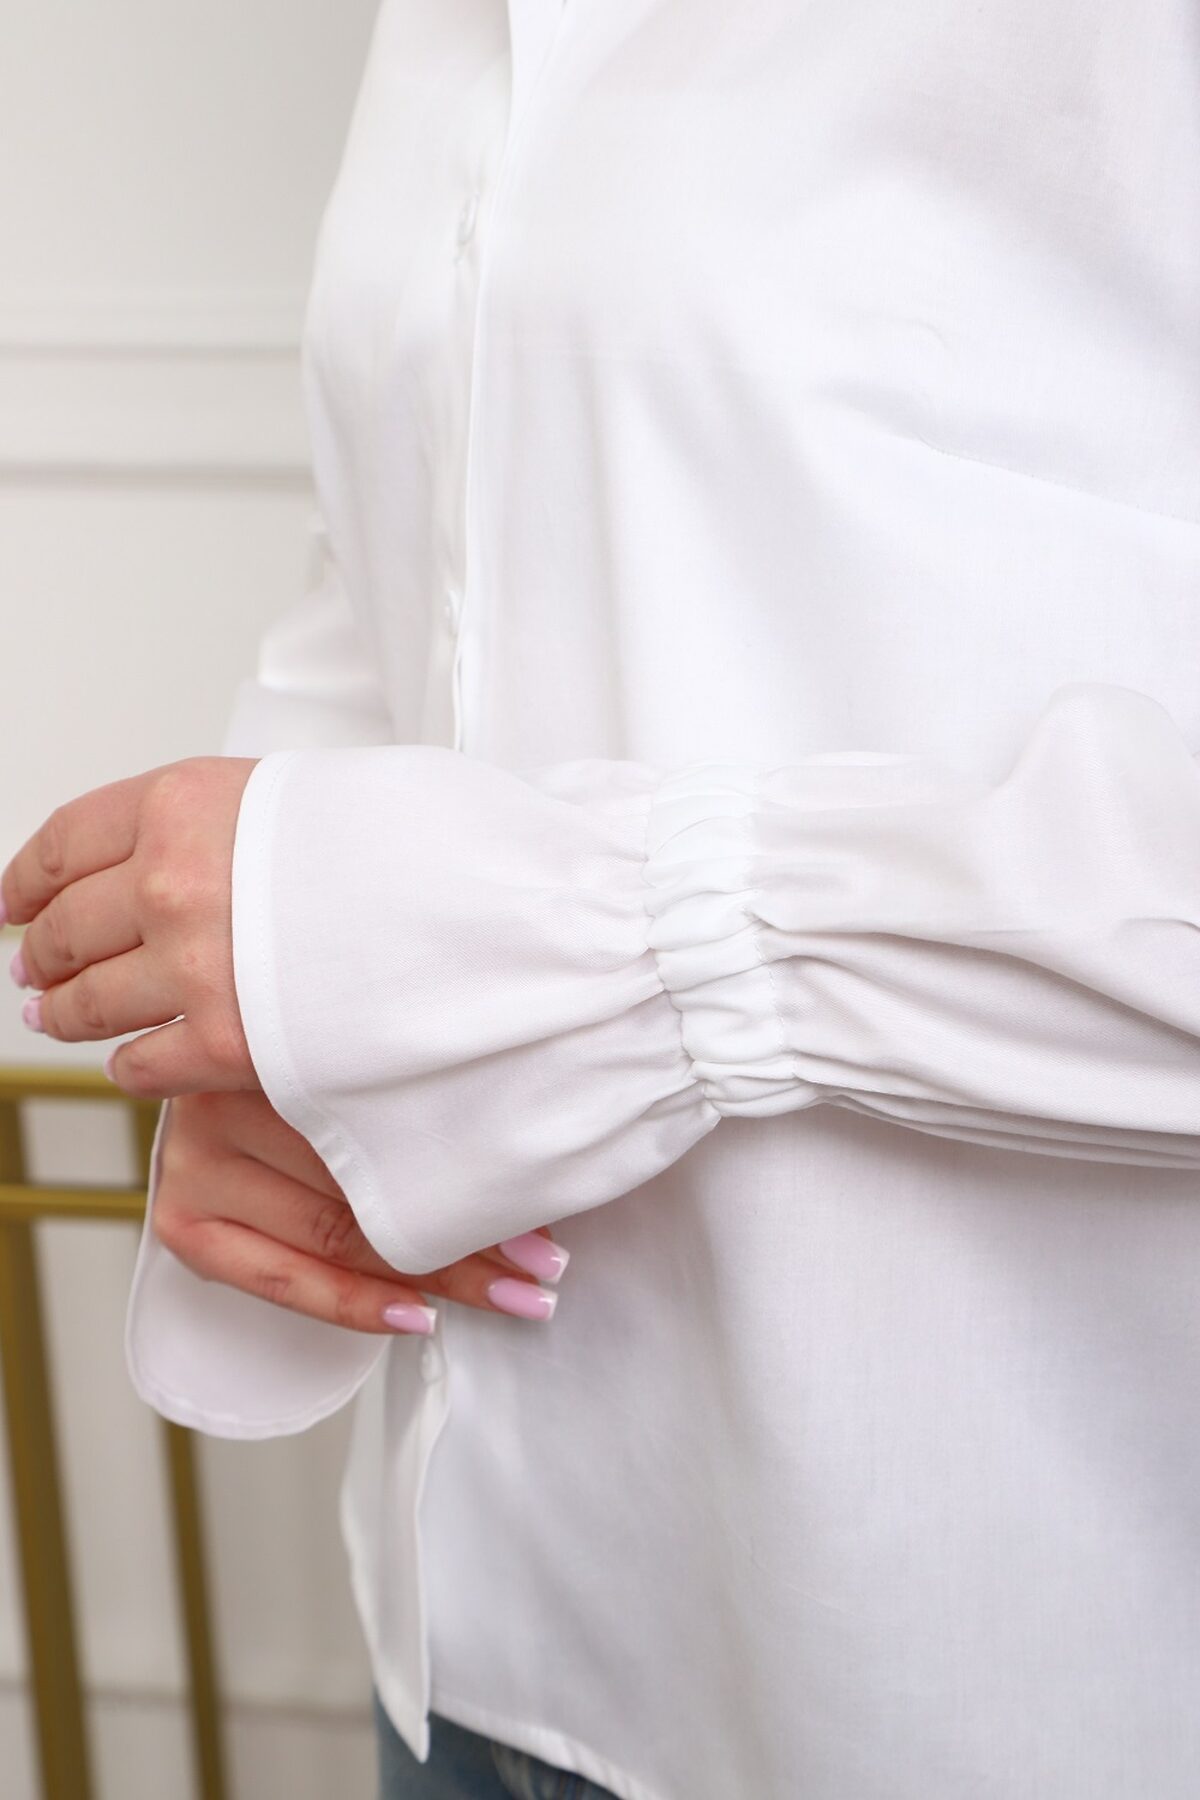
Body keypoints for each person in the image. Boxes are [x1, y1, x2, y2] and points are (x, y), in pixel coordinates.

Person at [4, 3, 1200, 1796]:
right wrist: (289, 1028)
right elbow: (409, 564)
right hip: (469, 1641)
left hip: (961, 1684)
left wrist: (540, 938)